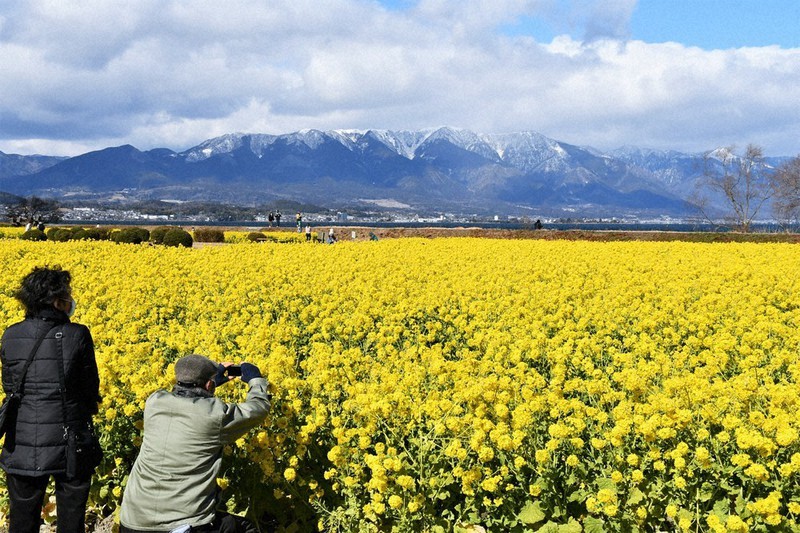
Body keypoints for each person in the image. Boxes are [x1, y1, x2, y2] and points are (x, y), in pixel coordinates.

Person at [120, 354, 271, 533]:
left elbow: (184, 395)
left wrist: (209, 383)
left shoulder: (154, 402)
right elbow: (259, 408)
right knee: (244, 529)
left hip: (132, 521)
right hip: (180, 525)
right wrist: (256, 380)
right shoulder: (215, 415)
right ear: (209, 385)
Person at [0, 266, 101, 533]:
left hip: (20, 439)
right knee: (71, 514)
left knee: (22, 516)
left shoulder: (11, 334)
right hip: (70, 441)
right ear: (56, 301)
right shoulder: (77, 334)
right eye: (66, 295)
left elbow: (10, 385)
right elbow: (90, 388)